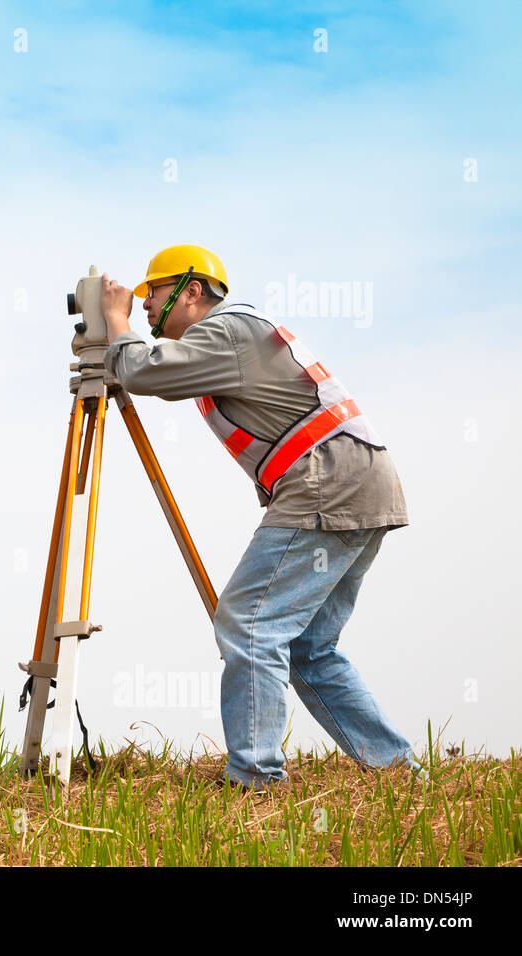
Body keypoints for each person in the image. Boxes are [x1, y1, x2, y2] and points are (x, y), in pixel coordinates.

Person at [95, 244, 423, 790]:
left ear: (191, 291)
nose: (145, 304)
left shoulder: (224, 330)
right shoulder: (234, 335)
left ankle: (256, 779)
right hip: (357, 483)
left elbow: (145, 373)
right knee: (306, 649)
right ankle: (397, 772)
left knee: (248, 623)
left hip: (329, 483)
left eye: (153, 291)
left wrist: (113, 320)